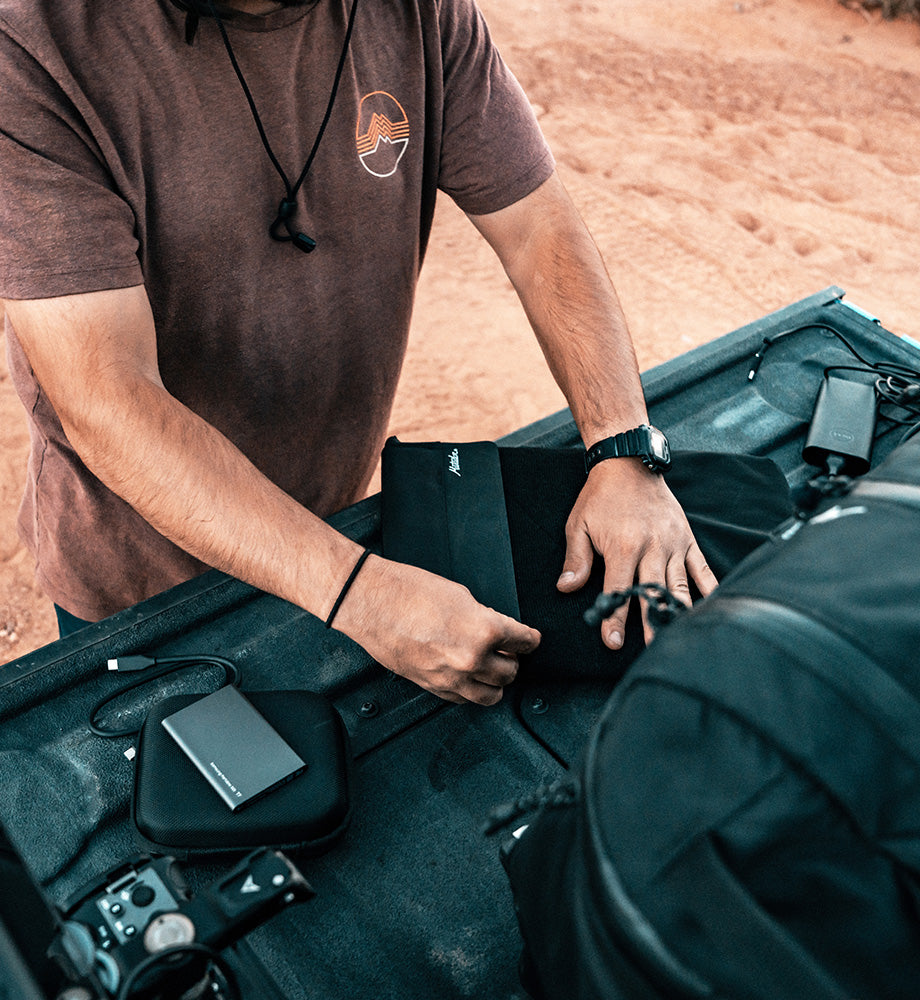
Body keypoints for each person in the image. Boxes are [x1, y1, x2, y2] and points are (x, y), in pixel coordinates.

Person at [0, 0, 716, 704]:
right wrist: (359, 594)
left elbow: (539, 230)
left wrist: (623, 446)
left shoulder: (422, 12)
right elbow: (109, 397)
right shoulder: (31, 45)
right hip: (142, 585)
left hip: (338, 528)